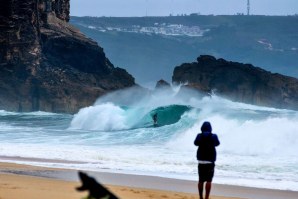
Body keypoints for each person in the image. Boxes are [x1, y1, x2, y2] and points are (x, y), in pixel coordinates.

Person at [194, 121, 220, 199]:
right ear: (210, 128)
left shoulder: (199, 136)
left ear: (202, 128)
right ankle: (206, 197)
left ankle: (201, 197)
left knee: (201, 180)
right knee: (209, 180)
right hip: (210, 161)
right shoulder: (214, 136)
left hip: (201, 161)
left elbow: (195, 143)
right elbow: (217, 144)